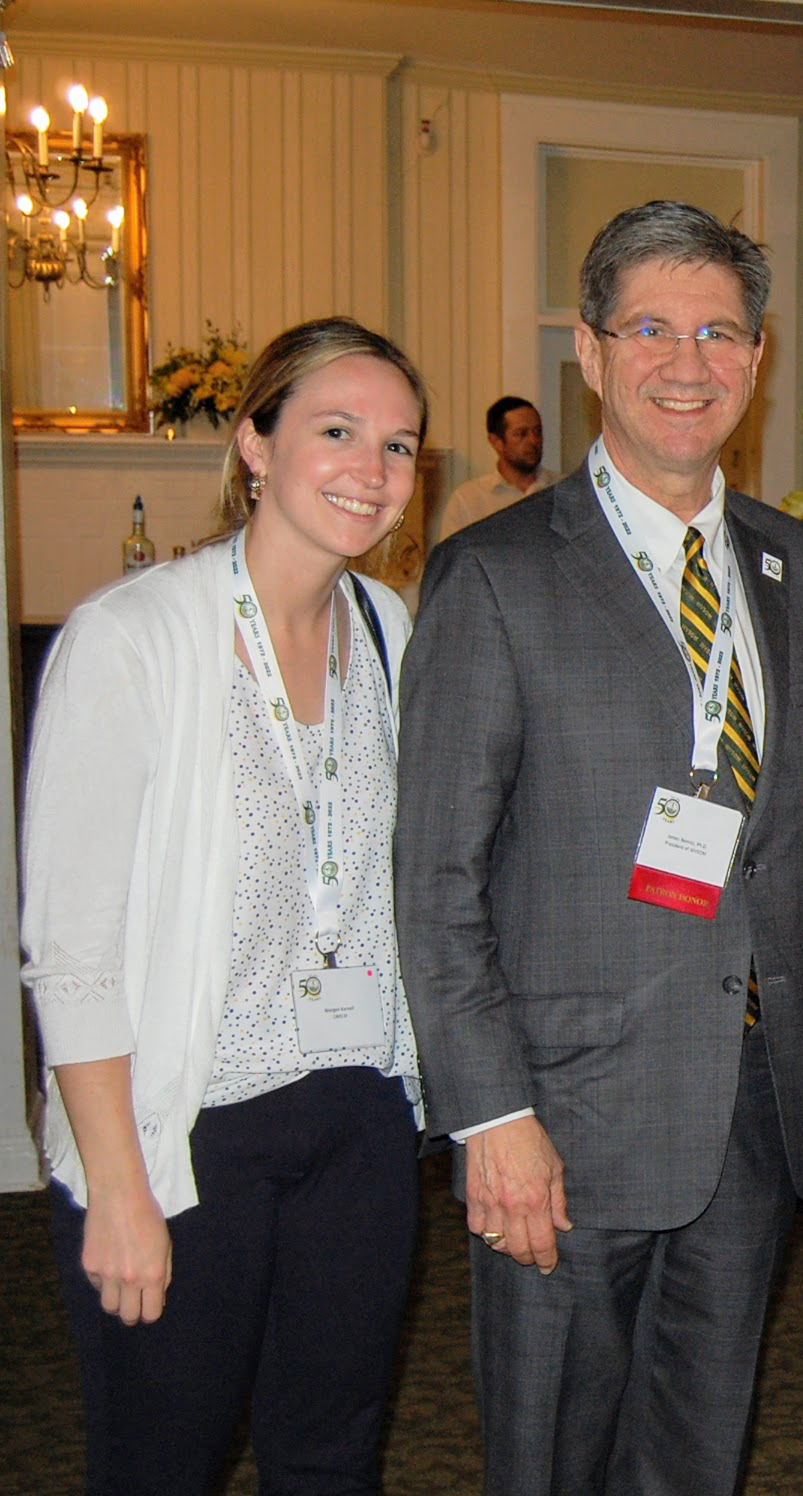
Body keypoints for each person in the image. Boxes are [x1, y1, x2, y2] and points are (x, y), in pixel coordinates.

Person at [395, 201, 803, 1495]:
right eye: (650, 326)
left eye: (719, 331)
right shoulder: (495, 575)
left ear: (757, 362)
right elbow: (435, 879)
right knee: (551, 1460)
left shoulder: (799, 572)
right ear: (589, 355)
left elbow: (799, 843)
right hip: (564, 1126)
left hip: (752, 1115)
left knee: (695, 1461)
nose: (686, 361)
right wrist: (493, 1114)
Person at [22, 317, 424, 1493]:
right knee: (161, 1462)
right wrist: (119, 1191)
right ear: (254, 442)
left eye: (398, 445)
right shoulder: (132, 639)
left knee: (331, 1458)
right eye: (336, 431)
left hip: (355, 1116)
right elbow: (73, 956)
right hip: (184, 1131)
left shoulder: (389, 631)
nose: (372, 469)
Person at [435, 396, 554, 543]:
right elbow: (452, 561)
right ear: (496, 441)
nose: (533, 441)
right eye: (521, 434)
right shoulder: (468, 500)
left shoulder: (564, 489)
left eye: (537, 431)